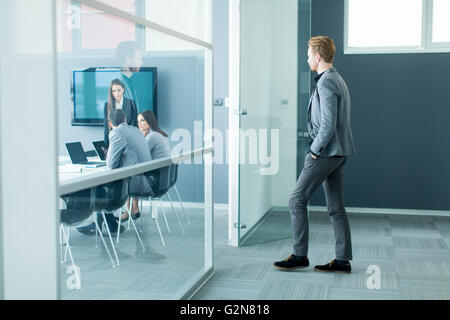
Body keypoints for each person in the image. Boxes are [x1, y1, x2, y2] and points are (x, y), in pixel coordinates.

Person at [273, 36, 356, 273]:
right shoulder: (337, 78)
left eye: (308, 54)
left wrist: (314, 151)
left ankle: (300, 255)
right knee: (336, 207)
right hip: (340, 152)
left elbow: (328, 124)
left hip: (327, 152)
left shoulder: (327, 82)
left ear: (317, 56)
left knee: (296, 200)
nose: (307, 57)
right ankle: (342, 260)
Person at [78, 109, 152, 234]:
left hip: (131, 184)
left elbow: (111, 165)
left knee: (97, 186)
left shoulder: (116, 132)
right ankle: (109, 222)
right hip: (145, 179)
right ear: (125, 120)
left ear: (110, 123)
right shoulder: (136, 130)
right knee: (101, 184)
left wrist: (112, 156)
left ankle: (103, 223)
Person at [119, 110, 170, 222]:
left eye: (142, 120)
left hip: (154, 182)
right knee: (134, 174)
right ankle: (134, 209)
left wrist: (140, 138)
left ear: (150, 121)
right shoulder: (160, 134)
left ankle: (129, 211)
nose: (139, 124)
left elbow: (137, 154)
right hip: (163, 180)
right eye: (138, 121)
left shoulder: (152, 136)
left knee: (126, 178)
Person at [103, 79, 138, 148]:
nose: (116, 93)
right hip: (114, 140)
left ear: (123, 89)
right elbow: (106, 127)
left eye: (119, 90)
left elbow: (134, 125)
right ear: (111, 92)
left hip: (129, 141)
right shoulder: (107, 105)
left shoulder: (131, 103)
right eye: (114, 91)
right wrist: (106, 146)